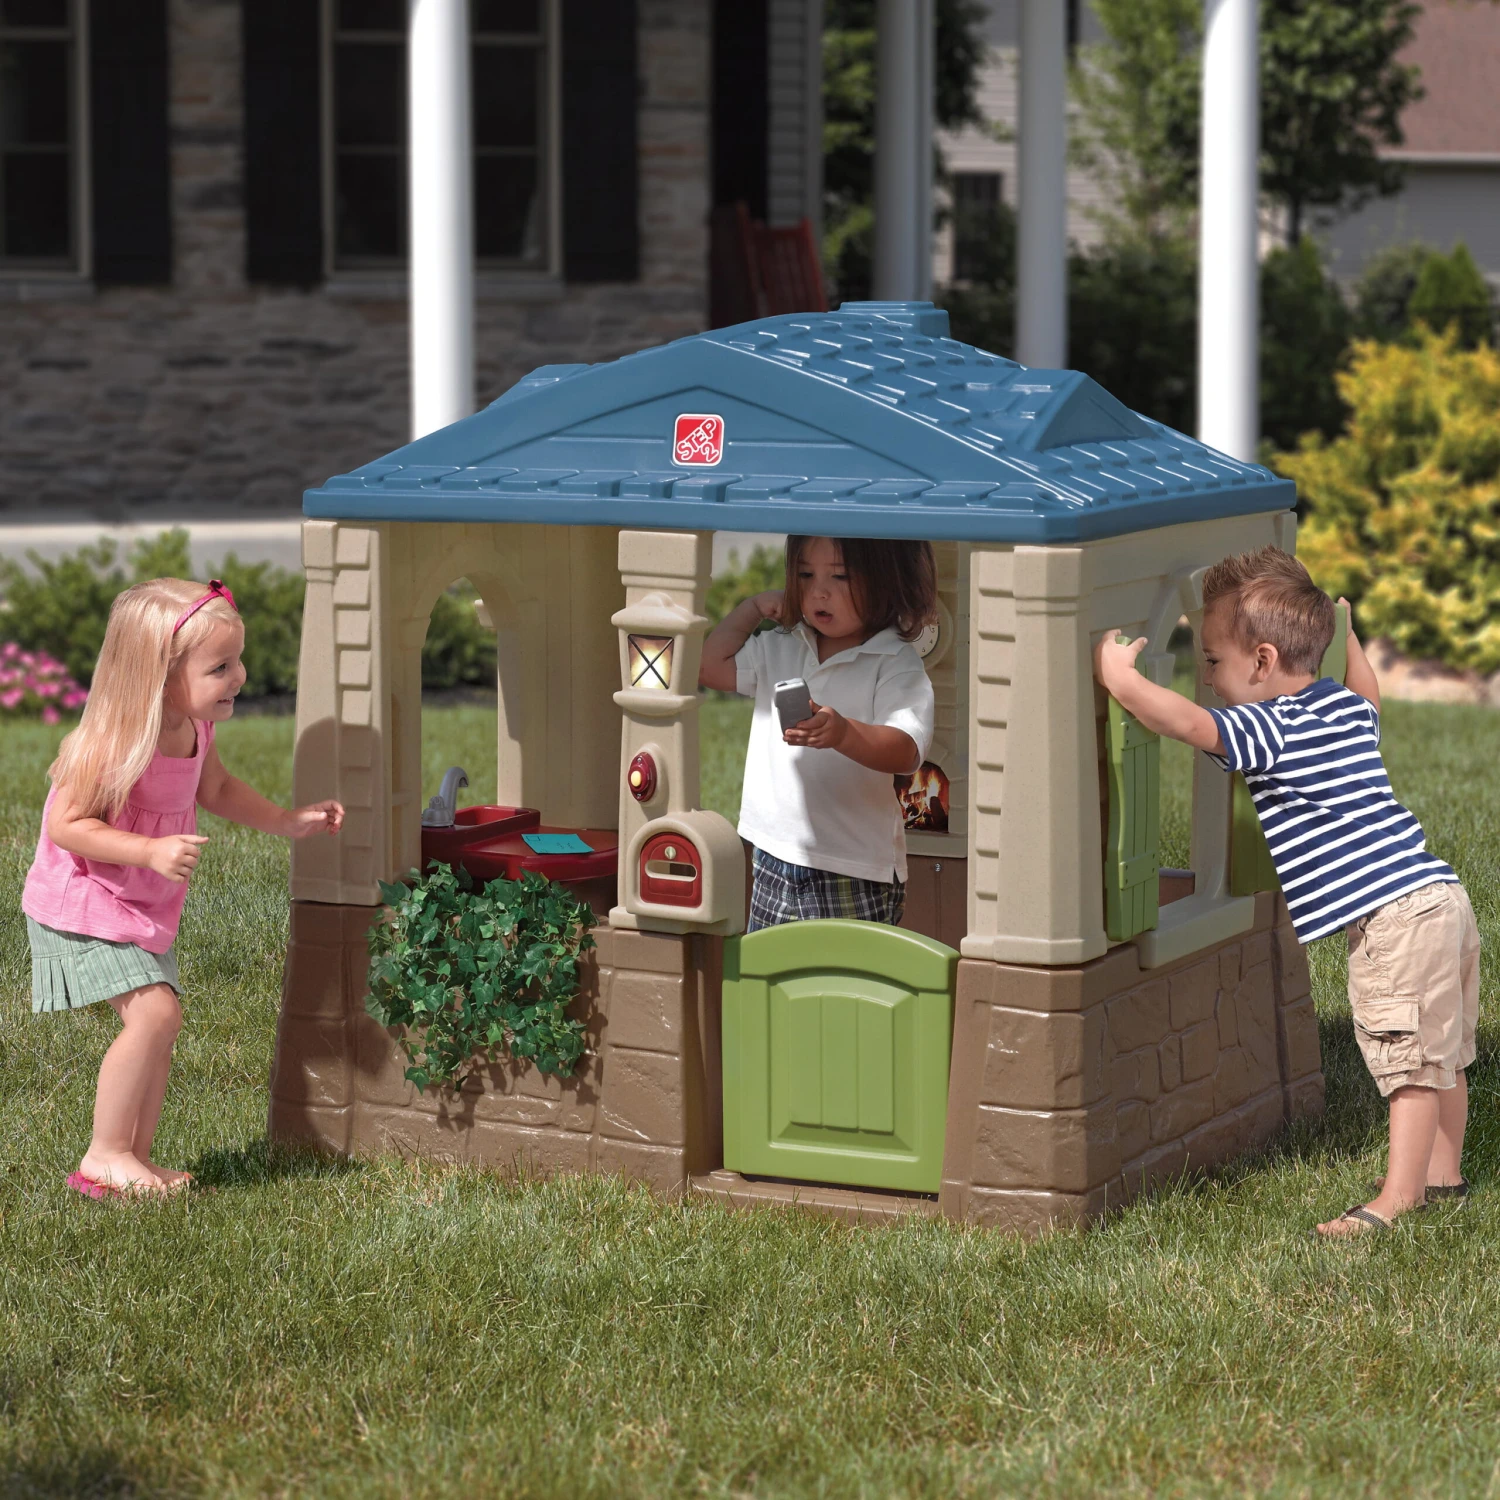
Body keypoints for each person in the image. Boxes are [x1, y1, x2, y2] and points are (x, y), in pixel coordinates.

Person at [1095, 545, 1479, 1240]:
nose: (1206, 677)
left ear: (1263, 662)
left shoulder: (1269, 726)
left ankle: (1397, 1200)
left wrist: (1122, 680)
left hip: (1393, 916)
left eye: (1212, 660)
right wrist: (1349, 637)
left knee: (1409, 1066)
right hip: (1440, 897)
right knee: (1441, 1052)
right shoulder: (1341, 709)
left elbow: (1186, 723)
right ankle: (1443, 1177)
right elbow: (1370, 693)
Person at [22, 578, 345, 1198]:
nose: (239, 676)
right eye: (219, 667)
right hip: (83, 898)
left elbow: (216, 789)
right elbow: (66, 825)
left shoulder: (196, 728)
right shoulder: (112, 740)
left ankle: (133, 1161)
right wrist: (149, 850)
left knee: (160, 1025)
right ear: (158, 675)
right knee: (156, 1014)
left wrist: (285, 821)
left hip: (137, 902)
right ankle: (104, 1154)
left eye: (237, 660)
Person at [699, 535, 937, 931]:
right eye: (805, 574)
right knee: (770, 966)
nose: (818, 592)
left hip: (852, 867)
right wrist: (751, 609)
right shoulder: (782, 644)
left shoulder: (895, 661)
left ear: (888, 581)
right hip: (773, 855)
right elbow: (708, 667)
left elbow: (906, 748)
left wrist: (844, 734)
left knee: (844, 970)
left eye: (839, 577)